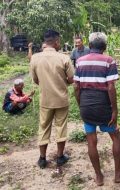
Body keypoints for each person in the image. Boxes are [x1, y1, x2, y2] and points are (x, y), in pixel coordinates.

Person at [74, 32, 120, 186]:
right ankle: (118, 174)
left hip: (86, 104)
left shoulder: (79, 61)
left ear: (90, 45)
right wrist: (114, 110)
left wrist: (82, 105)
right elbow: (111, 87)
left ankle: (99, 177)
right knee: (116, 136)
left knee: (91, 141)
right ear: (105, 46)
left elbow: (76, 87)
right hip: (103, 105)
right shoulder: (109, 61)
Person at [30, 29, 74, 169]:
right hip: (61, 99)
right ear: (56, 42)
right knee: (61, 128)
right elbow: (71, 79)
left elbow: (36, 80)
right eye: (59, 41)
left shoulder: (35, 58)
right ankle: (60, 157)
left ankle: (42, 159)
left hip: (45, 100)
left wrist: (46, 84)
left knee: (43, 127)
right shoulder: (64, 58)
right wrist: (62, 83)